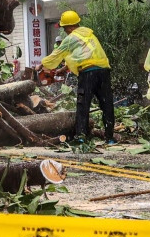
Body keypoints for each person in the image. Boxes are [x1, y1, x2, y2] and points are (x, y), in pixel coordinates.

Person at [40, 9, 115, 145]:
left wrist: (40, 65)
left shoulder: (71, 38)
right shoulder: (90, 35)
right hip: (104, 71)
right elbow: (85, 56)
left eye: (64, 28)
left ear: (69, 27)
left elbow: (55, 56)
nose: (65, 31)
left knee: (83, 105)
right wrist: (63, 69)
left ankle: (81, 137)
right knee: (107, 104)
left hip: (88, 74)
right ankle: (110, 138)